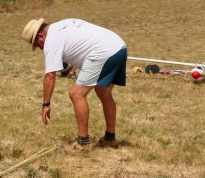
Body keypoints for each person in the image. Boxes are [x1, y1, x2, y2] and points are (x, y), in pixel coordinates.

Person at [21, 18, 127, 151]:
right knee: (103, 92)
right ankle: (110, 139)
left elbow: (50, 75)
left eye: (36, 43)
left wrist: (46, 104)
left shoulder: (51, 40)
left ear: (41, 36)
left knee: (76, 94)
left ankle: (84, 143)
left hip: (103, 52)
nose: (39, 48)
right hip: (119, 46)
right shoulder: (62, 25)